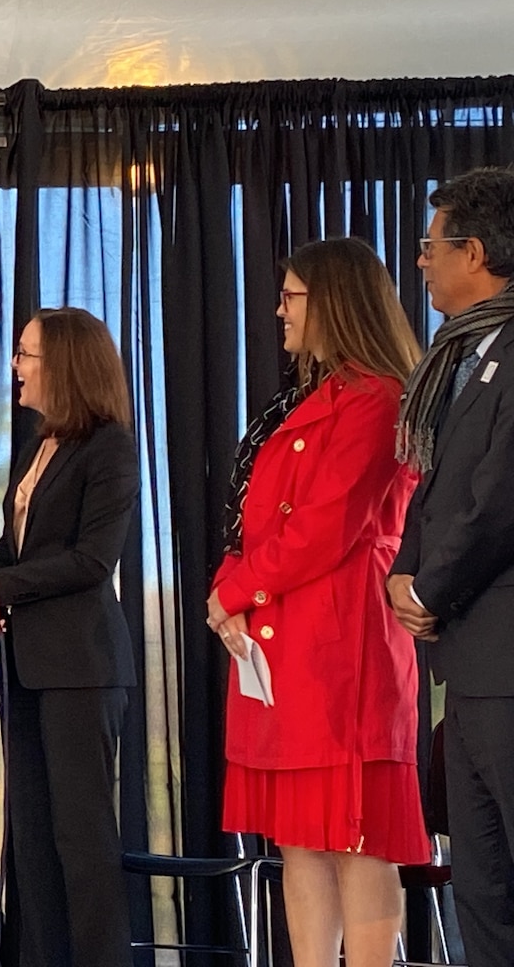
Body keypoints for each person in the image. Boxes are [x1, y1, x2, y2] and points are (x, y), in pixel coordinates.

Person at [207, 238, 425, 967]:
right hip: (283, 645)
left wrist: (236, 590)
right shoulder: (303, 398)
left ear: (333, 301)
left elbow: (325, 526)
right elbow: (259, 519)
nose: (279, 309)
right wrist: (226, 592)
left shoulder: (379, 398)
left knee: (356, 840)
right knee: (301, 840)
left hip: (343, 651)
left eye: (292, 296)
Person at [0, 306, 138, 967]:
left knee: (82, 841)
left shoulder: (110, 447)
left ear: (64, 364)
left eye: (26, 354)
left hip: (82, 669)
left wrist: (6, 589)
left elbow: (94, 559)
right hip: (29, 666)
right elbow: (13, 553)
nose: (15, 367)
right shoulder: (42, 444)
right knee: (32, 839)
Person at [388, 167, 514, 964]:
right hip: (466, 667)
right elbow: (431, 491)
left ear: (473, 251)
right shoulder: (462, 358)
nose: (423, 263)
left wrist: (430, 588)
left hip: (503, 655)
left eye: (431, 248)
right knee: (481, 881)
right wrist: (403, 574)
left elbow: (500, 498)